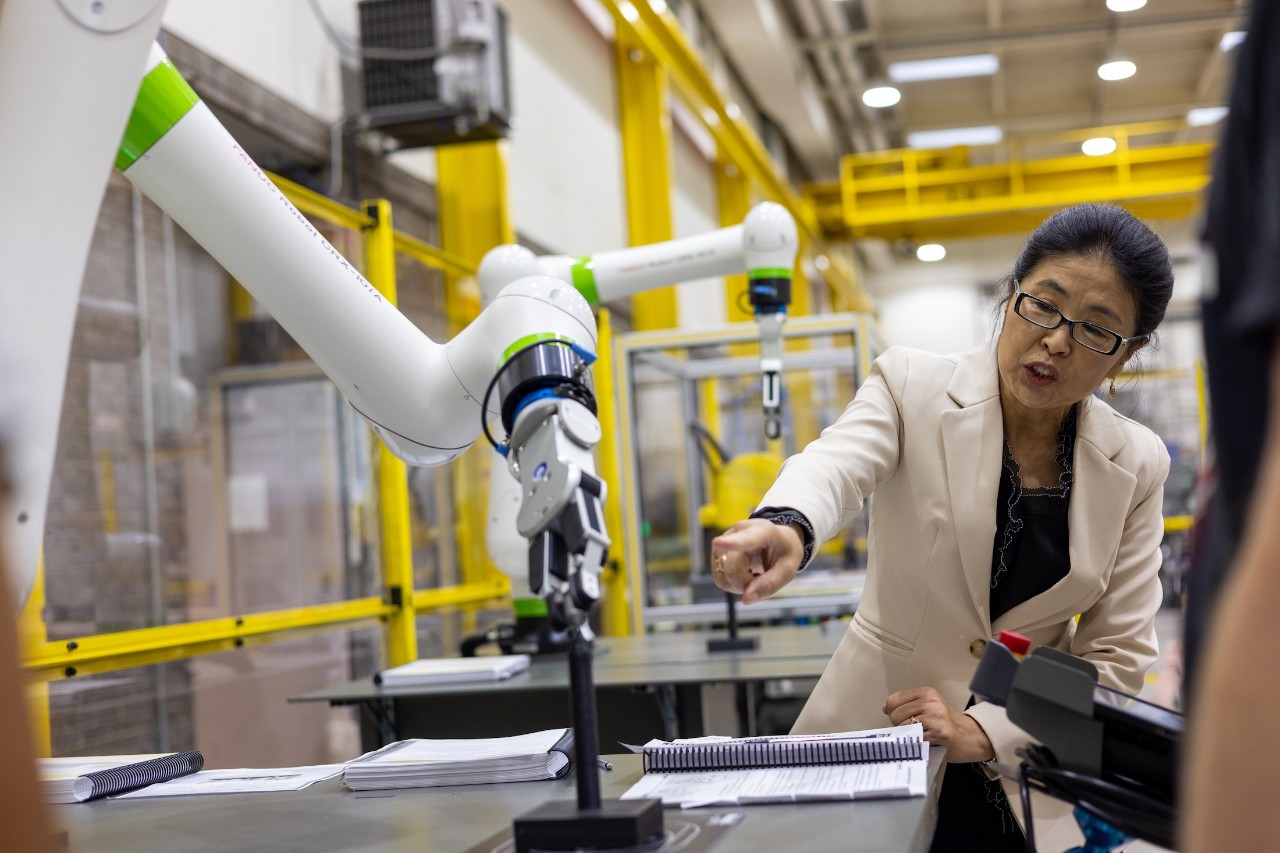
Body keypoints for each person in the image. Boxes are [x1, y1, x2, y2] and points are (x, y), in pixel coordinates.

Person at [711, 202, 1174, 853]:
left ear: (1127, 355)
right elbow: (835, 464)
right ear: (1011, 295)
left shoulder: (1137, 463)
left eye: (1097, 330)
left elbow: (1115, 660)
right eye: (1043, 304)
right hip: (873, 740)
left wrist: (986, 731)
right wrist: (785, 523)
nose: (1057, 341)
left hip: (1020, 769)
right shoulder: (912, 385)